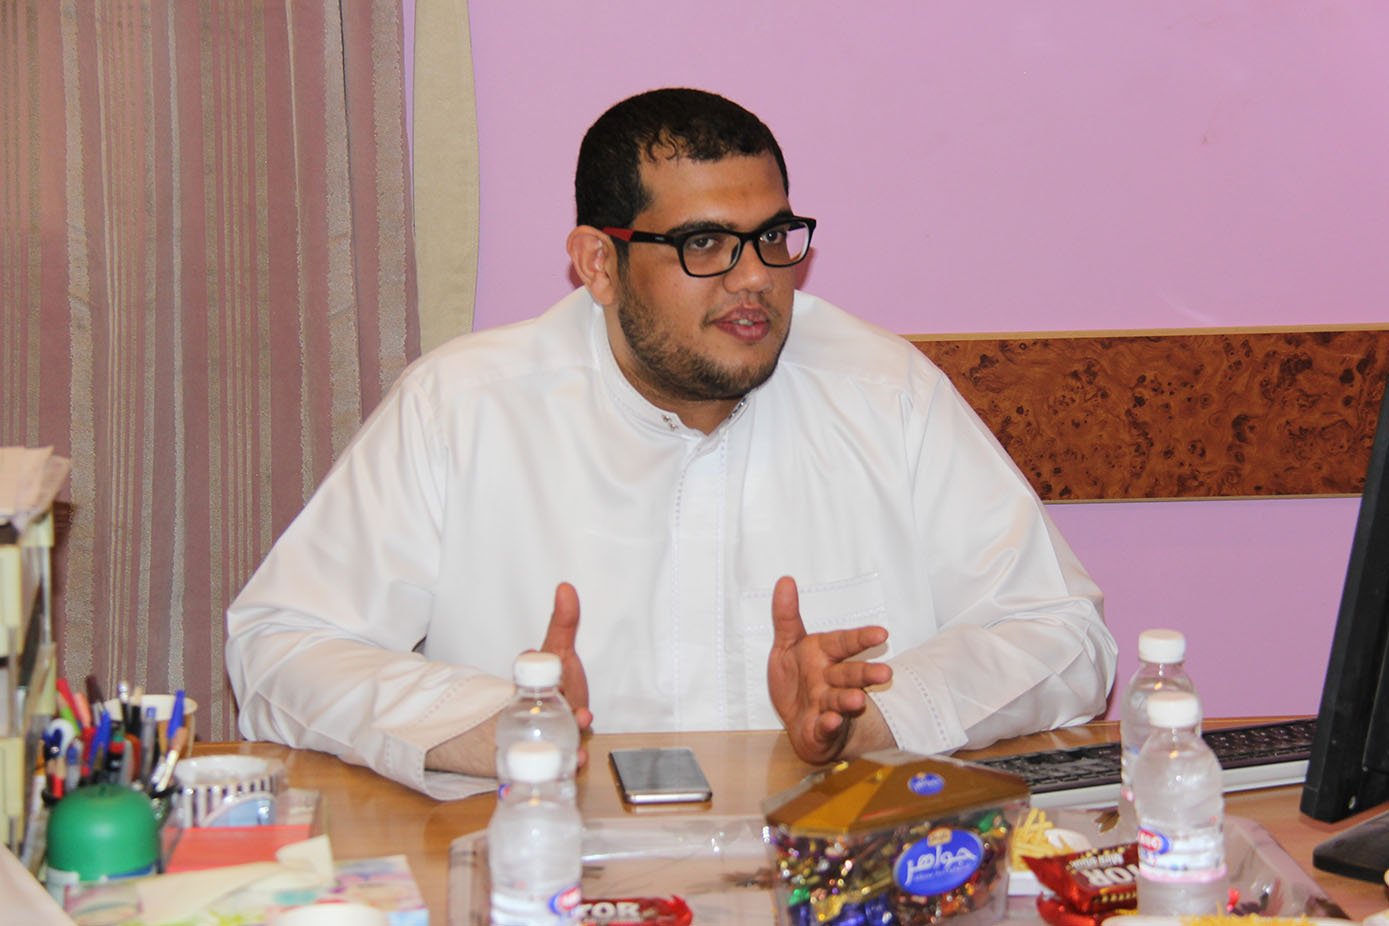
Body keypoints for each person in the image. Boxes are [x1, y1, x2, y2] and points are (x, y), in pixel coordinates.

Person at [225, 88, 1117, 799]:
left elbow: (1060, 632)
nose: (755, 279)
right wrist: (497, 723)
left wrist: (867, 718)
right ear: (598, 263)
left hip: (827, 877)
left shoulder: (884, 393)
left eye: (772, 238)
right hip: (558, 874)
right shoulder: (463, 408)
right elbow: (280, 644)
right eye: (705, 244)